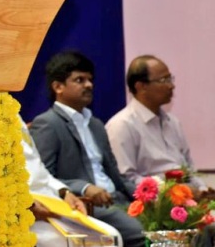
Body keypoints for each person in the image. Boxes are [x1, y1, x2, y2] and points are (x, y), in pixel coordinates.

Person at [29, 50, 145, 247]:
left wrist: (146, 196)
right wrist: (84, 187)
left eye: (90, 80)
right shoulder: (48, 123)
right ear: (58, 87)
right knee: (143, 232)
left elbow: (116, 175)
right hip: (88, 204)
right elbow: (44, 177)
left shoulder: (96, 124)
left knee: (169, 222)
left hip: (119, 200)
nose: (89, 85)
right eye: (79, 80)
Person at [106, 55, 209, 191]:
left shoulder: (172, 122)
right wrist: (170, 190)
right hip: (156, 200)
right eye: (163, 80)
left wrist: (202, 190)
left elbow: (189, 168)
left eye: (170, 79)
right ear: (141, 86)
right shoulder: (122, 125)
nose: (171, 86)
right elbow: (126, 179)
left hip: (186, 196)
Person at [19, 115, 121, 246]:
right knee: (95, 241)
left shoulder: (14, 114)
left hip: (51, 203)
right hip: (26, 210)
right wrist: (27, 205)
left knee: (111, 236)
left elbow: (40, 170)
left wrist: (64, 192)